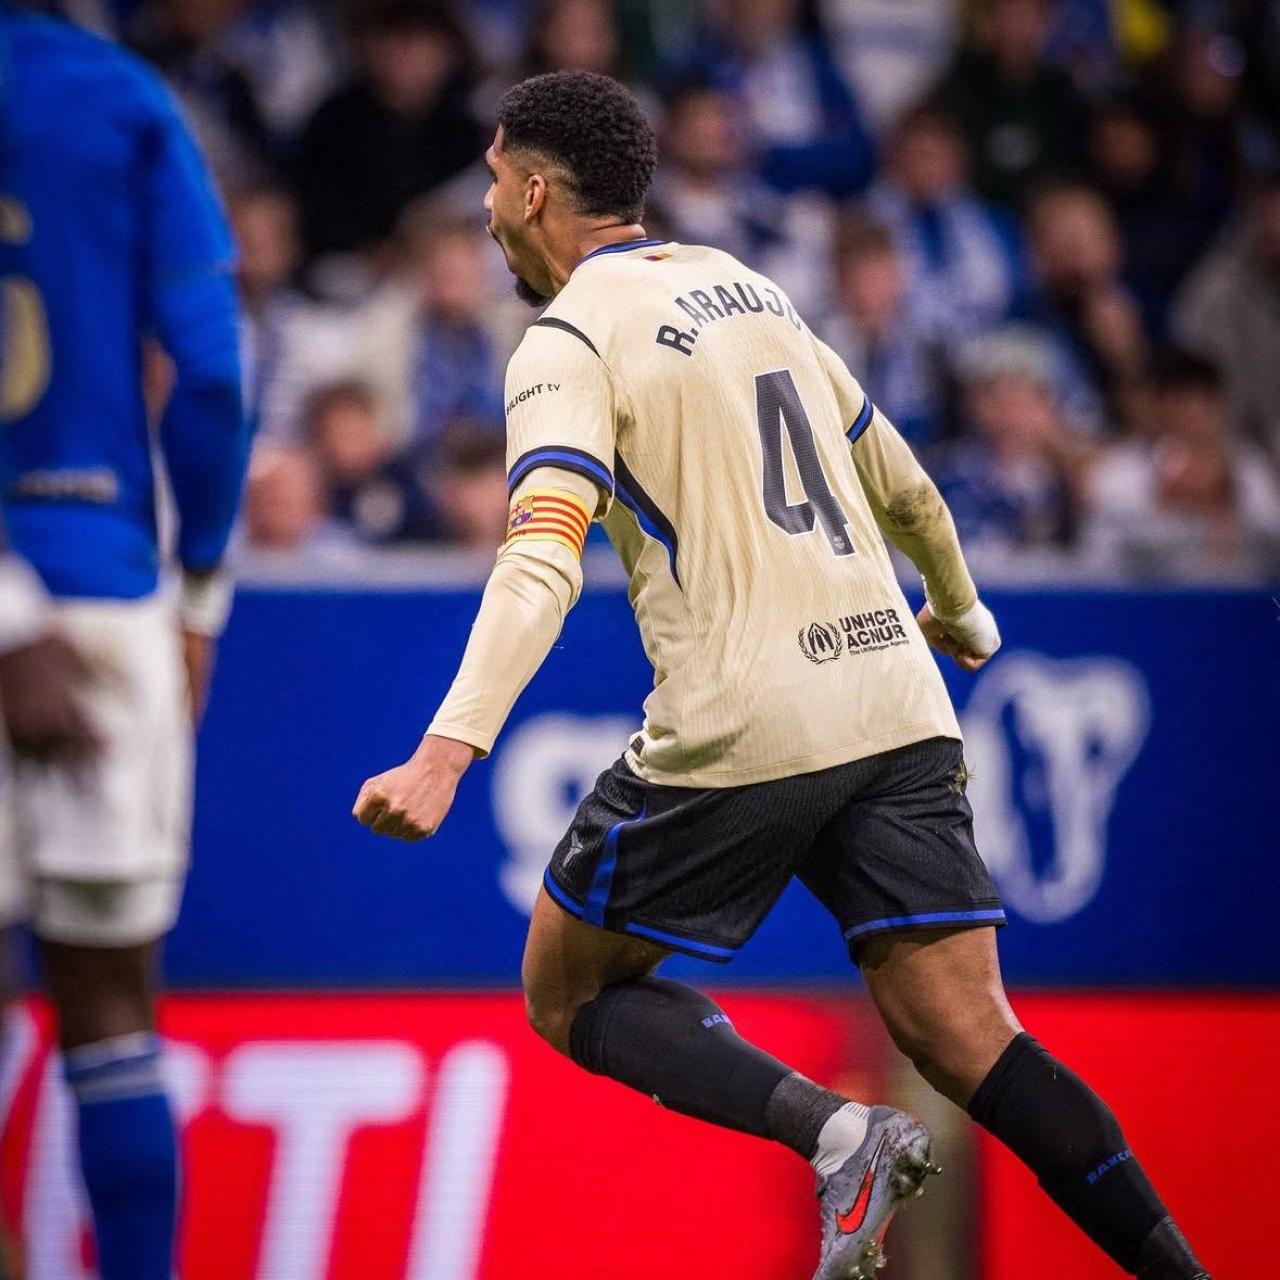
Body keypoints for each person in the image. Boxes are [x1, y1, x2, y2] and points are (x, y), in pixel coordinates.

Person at [353, 71, 1209, 1280]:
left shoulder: (563, 341)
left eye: (494, 183)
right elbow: (899, 478)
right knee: (971, 1034)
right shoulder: (748, 285)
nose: (488, 211)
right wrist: (958, 609)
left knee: (563, 983)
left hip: (748, 716)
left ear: (535, 190)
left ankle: (835, 1130)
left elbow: (539, 558)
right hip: (896, 697)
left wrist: (447, 750)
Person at [0, 9, 251, 1278]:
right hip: (106, 592)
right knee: (109, 1011)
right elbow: (210, 375)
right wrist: (197, 591)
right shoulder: (126, 101)